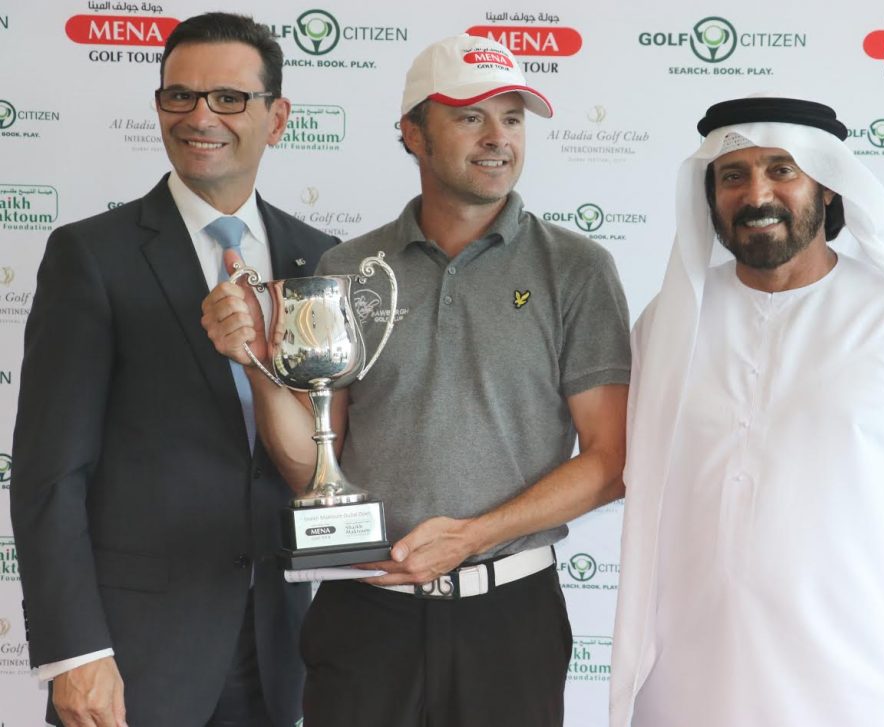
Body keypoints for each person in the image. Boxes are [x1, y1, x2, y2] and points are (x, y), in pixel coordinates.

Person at [203, 33, 631, 727]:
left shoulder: (575, 268)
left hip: (510, 619)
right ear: (412, 132)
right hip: (363, 612)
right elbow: (313, 466)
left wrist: (472, 535)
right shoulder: (347, 264)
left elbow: (610, 462)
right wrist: (252, 364)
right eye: (470, 116)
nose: (498, 138)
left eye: (514, 117)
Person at [611, 96, 884, 727]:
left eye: (782, 170)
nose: (757, 194)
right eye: (733, 175)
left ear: (828, 187)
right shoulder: (669, 325)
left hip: (869, 688)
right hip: (694, 687)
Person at [11, 12, 336, 727]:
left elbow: (327, 456)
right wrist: (75, 654)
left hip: (279, 647)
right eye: (179, 96)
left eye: (228, 98)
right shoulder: (92, 256)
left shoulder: (321, 259)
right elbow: (48, 476)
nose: (199, 116)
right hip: (133, 658)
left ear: (277, 118)